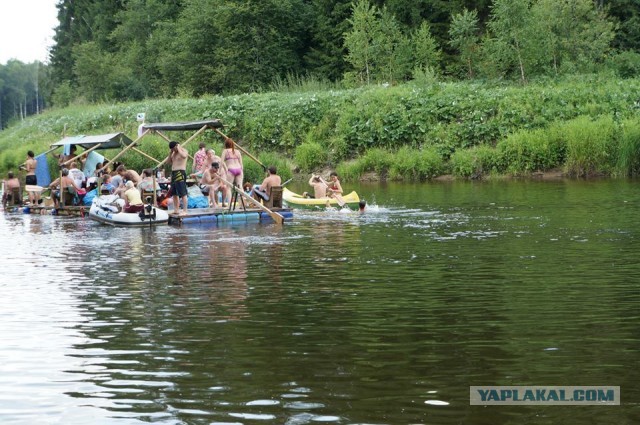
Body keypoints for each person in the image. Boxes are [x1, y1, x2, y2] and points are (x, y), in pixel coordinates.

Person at [166, 140, 189, 216]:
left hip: (180, 172)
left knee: (183, 192)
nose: (173, 150)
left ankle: (185, 210)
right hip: (173, 173)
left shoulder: (183, 151)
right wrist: (170, 153)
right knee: (174, 193)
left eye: (173, 148)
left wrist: (179, 148)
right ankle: (176, 209)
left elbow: (184, 156)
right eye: (171, 149)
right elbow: (168, 162)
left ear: (177, 146)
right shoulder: (173, 153)